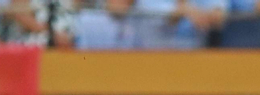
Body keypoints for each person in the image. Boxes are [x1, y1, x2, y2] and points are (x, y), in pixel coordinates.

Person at [74, 0, 228, 48]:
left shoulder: (144, 7)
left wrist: (187, 10)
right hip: (97, 72)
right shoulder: (88, 17)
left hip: (193, 60)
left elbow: (219, 15)